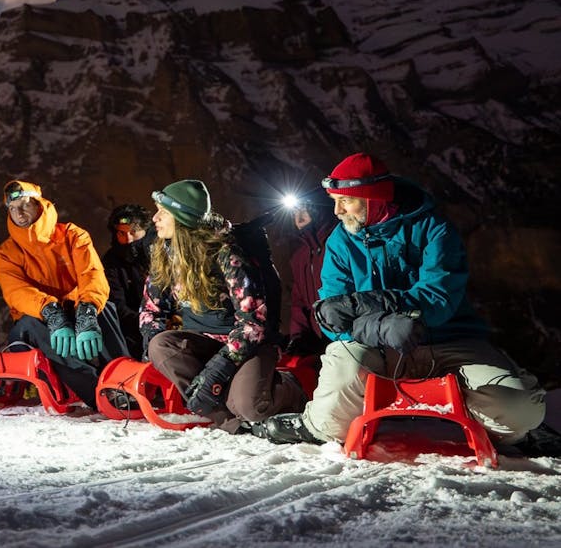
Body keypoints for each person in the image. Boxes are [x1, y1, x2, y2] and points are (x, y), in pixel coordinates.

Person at [250, 154, 555, 454]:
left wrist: (370, 304)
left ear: (374, 198)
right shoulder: (340, 242)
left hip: (448, 339)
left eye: (346, 200)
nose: (337, 210)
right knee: (335, 401)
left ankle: (523, 429)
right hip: (374, 346)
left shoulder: (435, 230)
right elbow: (333, 316)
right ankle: (313, 425)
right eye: (334, 200)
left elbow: (439, 297)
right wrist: (381, 327)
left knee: (519, 409)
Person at [139, 179, 305, 431]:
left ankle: (289, 388)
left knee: (249, 407)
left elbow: (253, 323)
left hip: (245, 346)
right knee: (160, 344)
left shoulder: (226, 255)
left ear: (182, 219)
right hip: (201, 342)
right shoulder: (165, 254)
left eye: (163, 212)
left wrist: (218, 369)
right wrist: (154, 349)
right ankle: (228, 420)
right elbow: (151, 311)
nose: (155, 218)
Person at [0, 179, 129, 406]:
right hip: (36, 320)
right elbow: (17, 292)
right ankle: (97, 393)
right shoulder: (6, 253)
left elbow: (91, 274)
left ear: (38, 204)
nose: (19, 212)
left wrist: (86, 311)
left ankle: (124, 381)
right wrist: (51, 312)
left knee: (103, 308)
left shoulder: (72, 235)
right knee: (30, 325)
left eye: (24, 204)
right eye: (13, 208)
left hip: (73, 309)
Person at [283, 187, 337, 356]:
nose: (298, 217)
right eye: (294, 212)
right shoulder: (300, 257)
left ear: (318, 209)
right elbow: (299, 301)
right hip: (317, 339)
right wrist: (298, 335)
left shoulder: (337, 245)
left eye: (304, 209)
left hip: (343, 334)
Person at [101, 203, 154, 360]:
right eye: (121, 233)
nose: (128, 239)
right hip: (132, 329)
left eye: (134, 232)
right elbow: (116, 304)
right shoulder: (111, 261)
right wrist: (145, 322)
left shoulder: (161, 254)